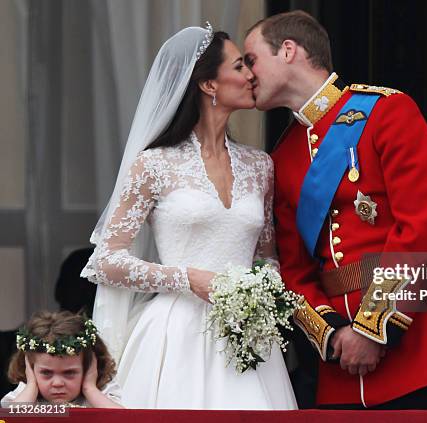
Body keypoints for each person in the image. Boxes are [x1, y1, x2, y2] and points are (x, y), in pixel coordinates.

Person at [244, 11, 427, 410]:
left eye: (251, 59)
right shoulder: (284, 155)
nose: (247, 74)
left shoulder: (387, 112)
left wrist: (372, 330)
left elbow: (420, 230)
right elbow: (295, 270)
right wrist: (335, 334)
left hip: (414, 348)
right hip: (340, 368)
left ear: (288, 51)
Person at [80, 25, 296, 409]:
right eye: (239, 66)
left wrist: (263, 288)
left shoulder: (260, 166)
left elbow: (266, 254)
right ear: (209, 85)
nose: (251, 75)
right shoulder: (154, 164)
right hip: (175, 332)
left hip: (247, 338)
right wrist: (188, 278)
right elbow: (105, 261)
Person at [1, 311, 122, 408]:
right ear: (30, 369)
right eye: (46, 373)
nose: (57, 383)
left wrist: (89, 388)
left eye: (69, 373)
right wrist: (31, 385)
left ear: (89, 368)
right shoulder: (26, 395)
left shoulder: (101, 394)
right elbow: (10, 419)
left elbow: (123, 420)